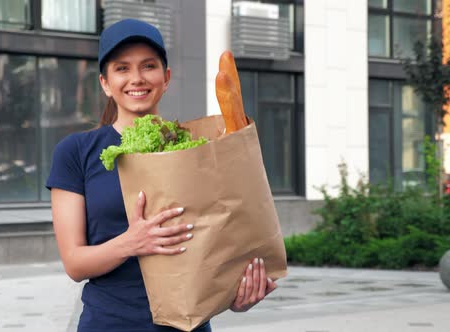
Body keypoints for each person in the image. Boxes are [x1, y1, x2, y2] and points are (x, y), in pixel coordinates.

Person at [46, 18, 278, 332]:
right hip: (111, 324)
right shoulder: (75, 152)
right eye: (122, 68)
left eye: (148, 66)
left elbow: (217, 238)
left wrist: (236, 294)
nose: (137, 78)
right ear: (105, 82)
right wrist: (132, 242)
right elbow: (74, 262)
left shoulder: (198, 147)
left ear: (165, 77)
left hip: (189, 325)